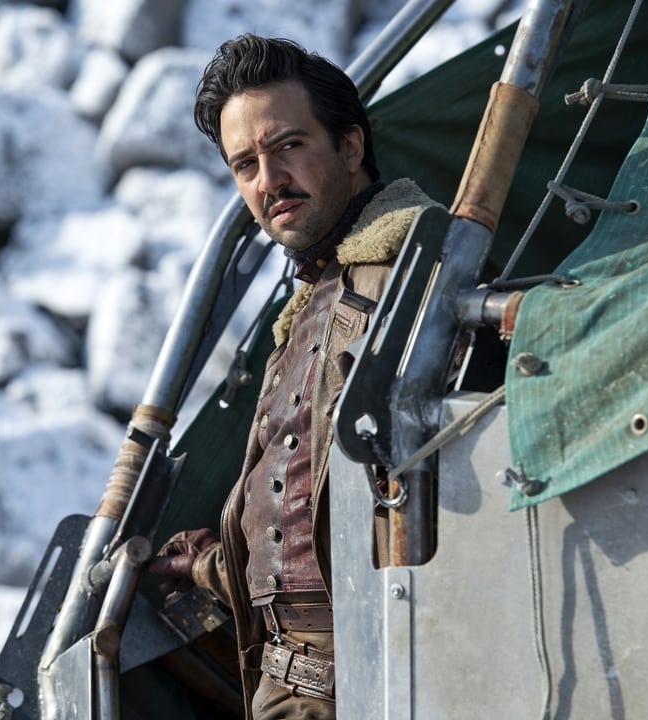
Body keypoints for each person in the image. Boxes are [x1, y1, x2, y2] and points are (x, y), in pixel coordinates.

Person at [148, 34, 440, 720]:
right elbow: (303, 529)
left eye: (288, 146)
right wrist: (209, 565)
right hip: (285, 681)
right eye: (245, 164)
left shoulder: (416, 275)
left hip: (378, 675)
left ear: (350, 146)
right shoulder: (310, 305)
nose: (268, 180)